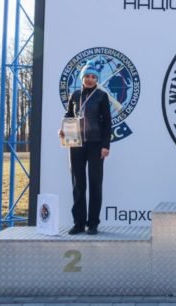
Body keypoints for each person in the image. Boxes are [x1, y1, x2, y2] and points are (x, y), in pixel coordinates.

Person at [59, 60, 112, 235]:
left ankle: (93, 223)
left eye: (93, 77)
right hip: (76, 143)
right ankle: (79, 223)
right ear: (82, 78)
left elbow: (107, 123)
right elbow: (69, 116)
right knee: (78, 184)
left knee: (95, 183)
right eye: (87, 76)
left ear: (97, 79)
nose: (90, 79)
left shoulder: (102, 96)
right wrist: (63, 130)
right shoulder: (74, 96)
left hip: (96, 144)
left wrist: (105, 145)